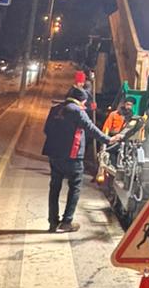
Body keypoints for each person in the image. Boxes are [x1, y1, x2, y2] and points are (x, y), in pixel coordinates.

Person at [41, 84, 119, 232]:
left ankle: (52, 222)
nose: (84, 104)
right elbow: (91, 129)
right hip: (73, 157)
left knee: (54, 188)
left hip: (54, 155)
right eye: (84, 102)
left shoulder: (55, 109)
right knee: (75, 188)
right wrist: (109, 140)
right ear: (80, 100)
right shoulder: (77, 111)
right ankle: (66, 222)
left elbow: (46, 130)